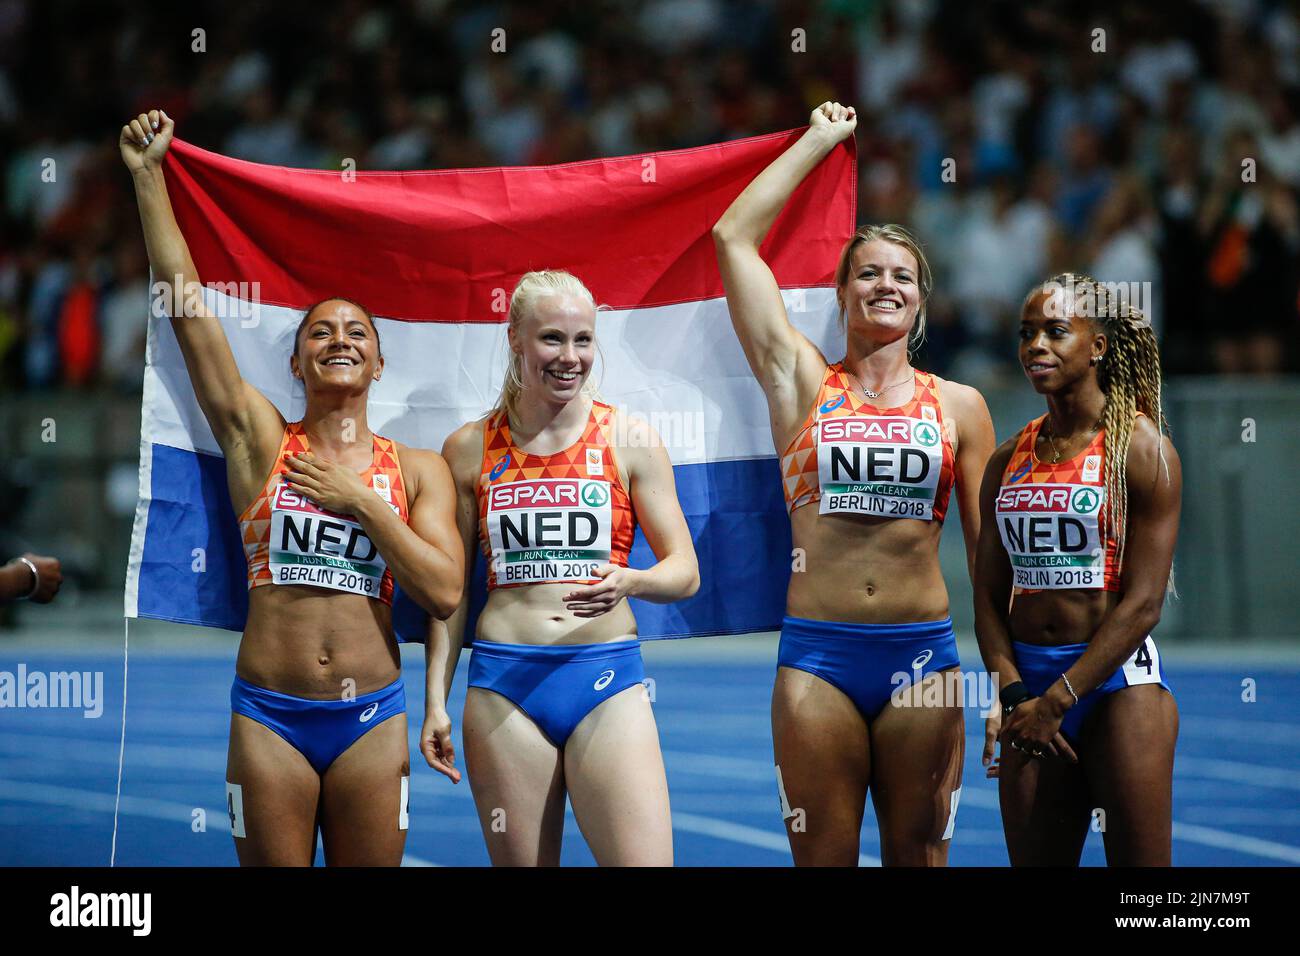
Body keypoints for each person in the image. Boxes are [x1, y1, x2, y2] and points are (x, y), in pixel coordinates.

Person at [121, 109, 464, 865]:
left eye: (356, 334)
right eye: (320, 333)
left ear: (378, 367)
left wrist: (364, 505)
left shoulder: (417, 470)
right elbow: (188, 309)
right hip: (269, 716)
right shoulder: (262, 441)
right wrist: (149, 178)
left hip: (372, 718)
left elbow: (443, 592)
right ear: (296, 366)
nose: (339, 338)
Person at [712, 102, 996, 865]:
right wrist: (820, 140)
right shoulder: (803, 381)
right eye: (867, 271)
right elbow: (732, 237)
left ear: (922, 302)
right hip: (818, 658)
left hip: (926, 661)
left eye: (902, 276)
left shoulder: (961, 406)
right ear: (841, 293)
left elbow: (986, 558)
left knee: (920, 857)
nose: (884, 284)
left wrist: (1002, 681)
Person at [423, 269, 699, 866]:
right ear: (515, 339)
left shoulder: (629, 438)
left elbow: (685, 571)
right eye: (552, 339)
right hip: (505, 687)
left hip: (606, 678)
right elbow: (450, 593)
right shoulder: (469, 448)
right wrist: (435, 702)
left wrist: (635, 580)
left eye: (583, 340)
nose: (569, 357)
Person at [975, 273, 1181, 866]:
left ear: (1097, 346)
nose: (1036, 345)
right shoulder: (1005, 461)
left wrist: (1059, 700)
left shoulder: (1142, 452)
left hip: (1118, 689)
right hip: (1029, 692)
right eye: (1027, 333)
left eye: (1056, 331)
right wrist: (1016, 695)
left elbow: (1144, 604)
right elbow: (989, 599)